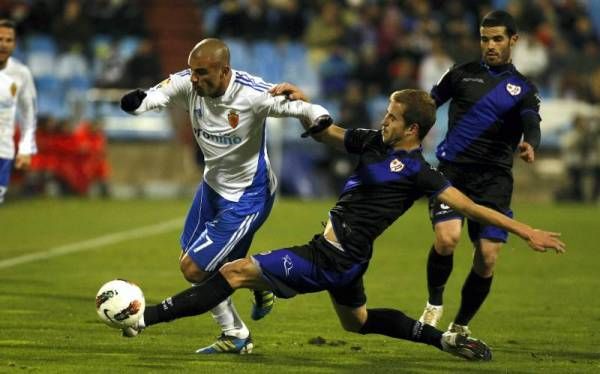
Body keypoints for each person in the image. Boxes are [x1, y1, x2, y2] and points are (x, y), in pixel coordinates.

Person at [117, 89, 565, 361]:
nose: (383, 120)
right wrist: (298, 105)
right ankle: (443, 342)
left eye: (391, 117)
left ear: (412, 129)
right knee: (359, 322)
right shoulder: (374, 143)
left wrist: (525, 231)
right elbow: (332, 131)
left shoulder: (419, 172)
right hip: (347, 258)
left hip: (332, 258)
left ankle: (147, 318)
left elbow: (468, 206)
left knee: (234, 272)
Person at [119, 38, 331, 354]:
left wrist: (317, 116)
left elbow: (302, 106)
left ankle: (243, 316)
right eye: (192, 71)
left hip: (249, 196)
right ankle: (245, 313)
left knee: (195, 269)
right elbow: (154, 96)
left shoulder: (253, 94)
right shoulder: (187, 83)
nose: (194, 79)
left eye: (202, 73)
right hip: (211, 188)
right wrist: (136, 102)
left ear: (224, 70)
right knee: (196, 264)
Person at [417, 10, 544, 335]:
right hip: (453, 173)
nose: (490, 45)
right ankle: (433, 304)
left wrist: (530, 142)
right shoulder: (460, 74)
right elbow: (429, 104)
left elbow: (532, 120)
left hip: (494, 180)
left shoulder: (523, 88)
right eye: (485, 38)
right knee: (447, 239)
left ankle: (460, 326)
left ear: (513, 40)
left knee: (487, 257)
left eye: (497, 39)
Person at [0, 19, 37, 204]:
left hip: (3, 151)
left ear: (14, 44)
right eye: (0, 39)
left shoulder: (21, 73)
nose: (3, 44)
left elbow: (27, 113)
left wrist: (25, 149)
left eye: (8, 40)